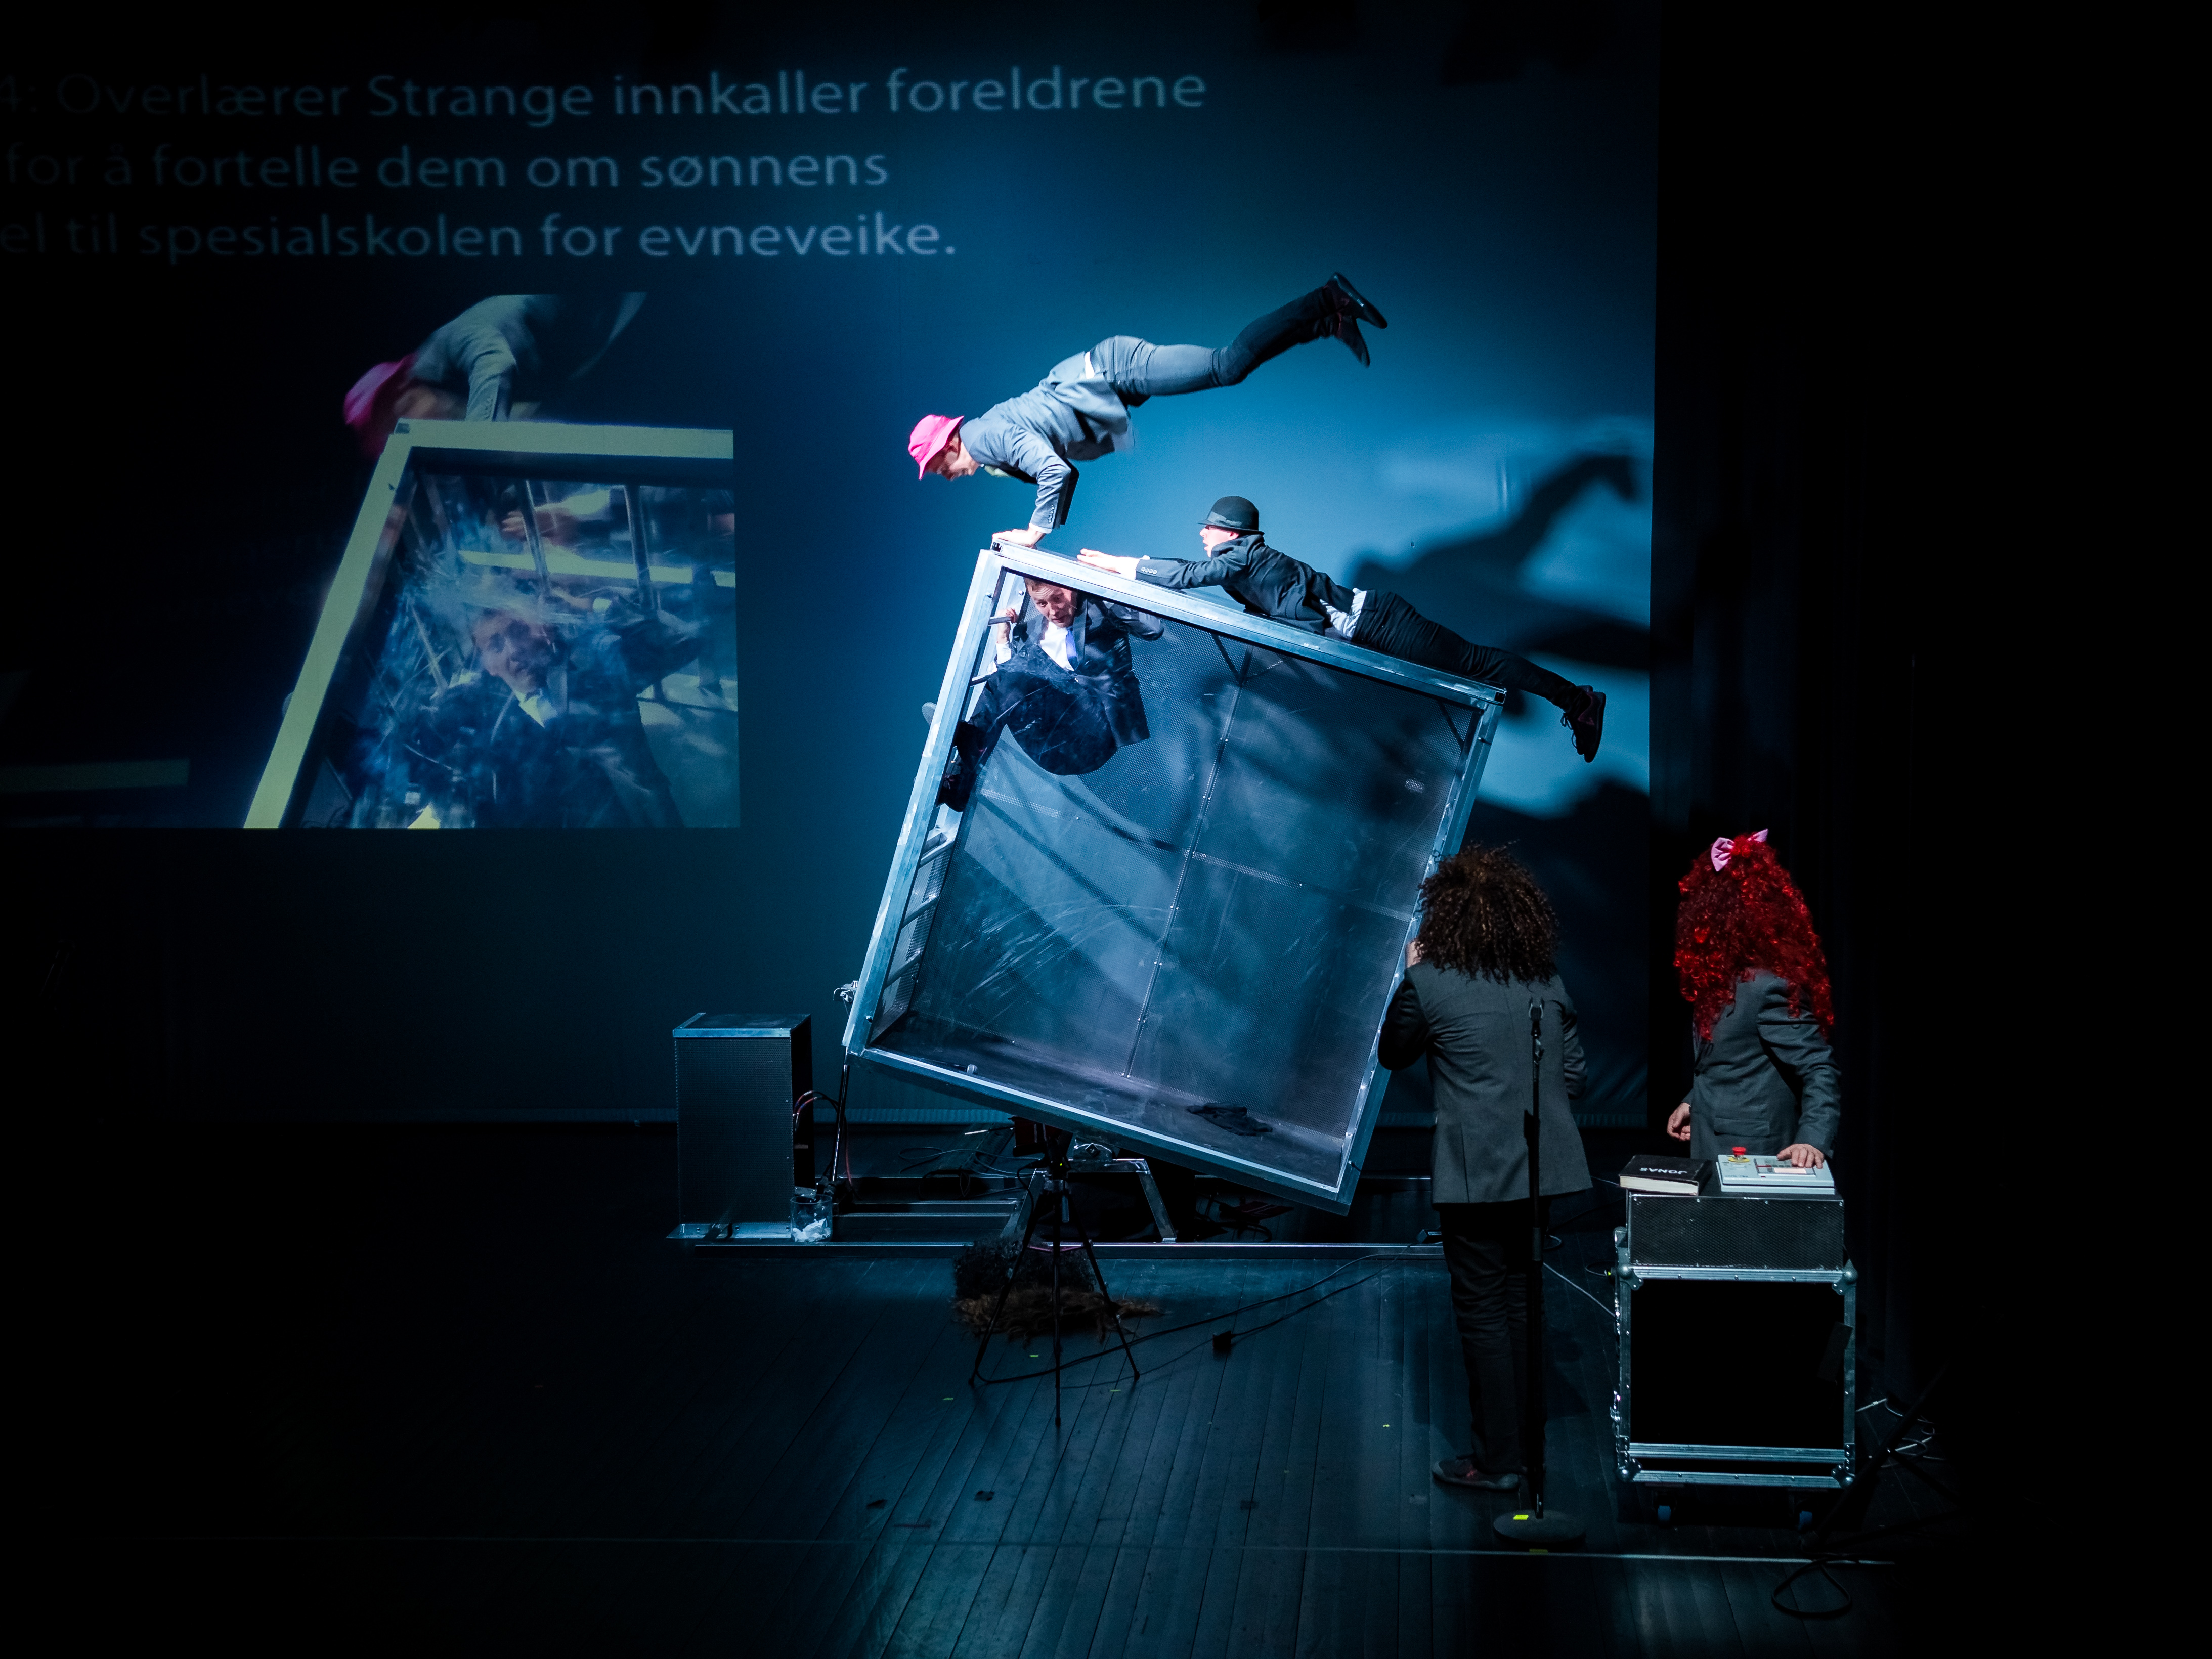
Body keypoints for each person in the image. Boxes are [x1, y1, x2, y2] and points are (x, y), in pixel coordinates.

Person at [1079, 495, 1608, 760]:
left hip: (1380, 624)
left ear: (1231, 532)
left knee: (1477, 663)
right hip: (1371, 630)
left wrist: (1124, 566)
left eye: (1208, 527)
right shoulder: (1245, 566)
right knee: (1464, 675)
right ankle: (1572, 699)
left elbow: (1189, 576)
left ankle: (1577, 699)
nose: (1202, 533)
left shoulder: (1243, 556)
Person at [1378, 847, 1592, 1493]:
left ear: (1447, 917)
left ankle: (1497, 1461)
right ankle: (1526, 1452)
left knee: (1483, 1312)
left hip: (1475, 1176)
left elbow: (1393, 1052)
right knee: (1522, 1304)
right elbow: (1574, 1077)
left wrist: (1411, 973)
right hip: (1539, 1170)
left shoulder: (1431, 982)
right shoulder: (1544, 981)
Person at [906, 273, 1389, 542]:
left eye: (937, 465)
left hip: (1113, 369)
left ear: (950, 443)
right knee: (1228, 369)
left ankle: (1327, 298)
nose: (943, 475)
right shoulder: (989, 444)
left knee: (1226, 366)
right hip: (1106, 379)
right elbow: (1058, 466)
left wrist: (1033, 533)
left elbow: (1056, 471)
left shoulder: (985, 438)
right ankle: (1326, 322)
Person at [403, 589, 698, 828]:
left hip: (640, 818)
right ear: (488, 666)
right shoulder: (488, 710)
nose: (515, 651)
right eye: (496, 646)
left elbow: (685, 639)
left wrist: (590, 605)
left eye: (519, 632)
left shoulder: (591, 665)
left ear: (539, 631)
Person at [1666, 830, 1840, 1168]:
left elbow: (1819, 1068)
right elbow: (1734, 1064)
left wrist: (1812, 1140)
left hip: (1755, 1154)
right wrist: (1694, 1101)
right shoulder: (1720, 983)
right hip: (1713, 1146)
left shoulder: (1767, 987)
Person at [935, 575, 1163, 812]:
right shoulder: (1026, 633)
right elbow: (1006, 690)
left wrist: (1112, 578)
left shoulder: (1100, 610)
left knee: (1015, 673)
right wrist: (1003, 641)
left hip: (1097, 736)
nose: (1053, 611)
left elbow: (1154, 629)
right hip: (1052, 748)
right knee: (1007, 675)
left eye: (1057, 598)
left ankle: (970, 758)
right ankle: (961, 784)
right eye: (1042, 603)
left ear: (1071, 589)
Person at [342, 293, 647, 456]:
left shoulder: (449, 343)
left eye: (399, 425)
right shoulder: (454, 391)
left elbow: (494, 363)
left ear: (406, 388)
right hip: (611, 322)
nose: (415, 437)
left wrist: (477, 449)